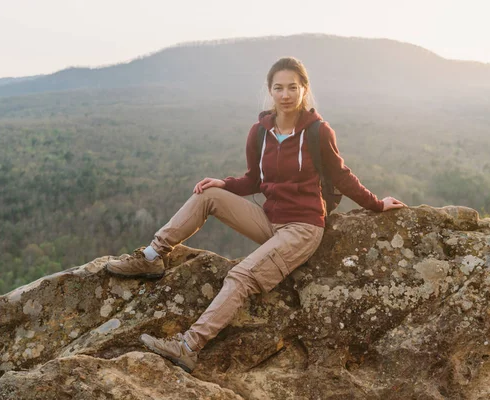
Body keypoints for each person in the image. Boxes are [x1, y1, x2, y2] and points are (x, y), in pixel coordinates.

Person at [104, 57, 406, 373]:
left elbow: (342, 176)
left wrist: (376, 204)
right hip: (270, 221)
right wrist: (224, 183)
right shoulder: (260, 132)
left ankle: (189, 346)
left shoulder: (318, 132)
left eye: (293, 87)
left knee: (241, 275)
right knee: (207, 194)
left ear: (304, 89)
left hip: (302, 229)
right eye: (279, 88)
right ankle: (152, 255)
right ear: (270, 91)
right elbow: (253, 180)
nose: (286, 94)